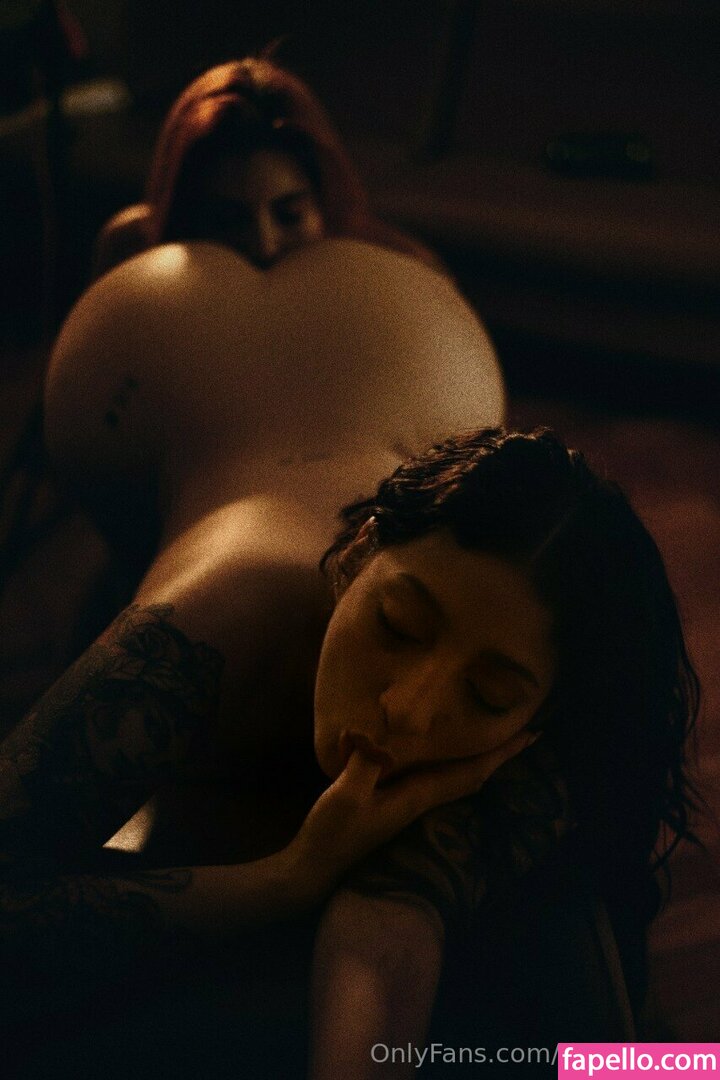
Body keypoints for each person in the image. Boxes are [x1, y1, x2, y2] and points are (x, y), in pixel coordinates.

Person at [0, 422, 697, 1075]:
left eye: (487, 697)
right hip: (147, 399)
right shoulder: (229, 612)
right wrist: (288, 876)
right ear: (361, 553)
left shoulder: (533, 668)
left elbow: (391, 926)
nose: (407, 710)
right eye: (398, 627)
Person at [93, 55, 440, 277]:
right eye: (228, 220)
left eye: (289, 215)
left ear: (325, 205)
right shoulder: (133, 254)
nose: (264, 246)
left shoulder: (403, 276)